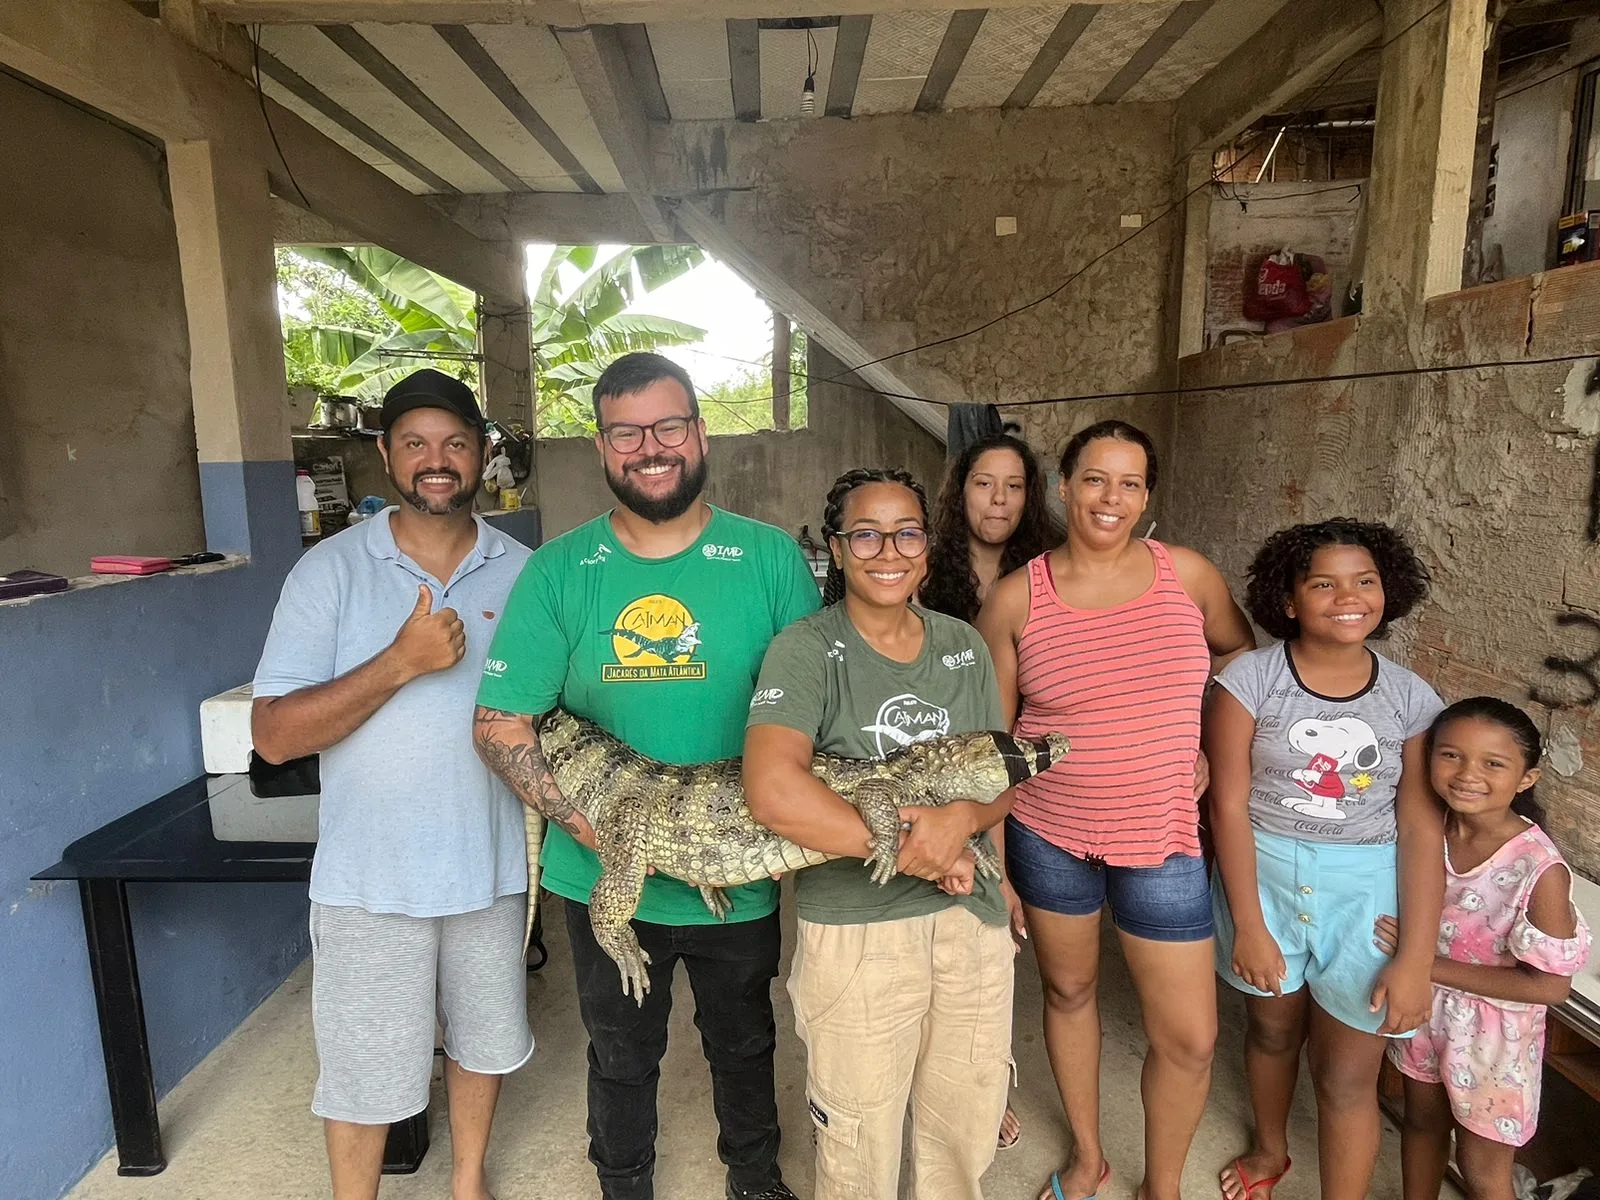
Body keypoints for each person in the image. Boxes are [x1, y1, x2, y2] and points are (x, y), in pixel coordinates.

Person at [472, 352, 814, 1200]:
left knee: (745, 1041)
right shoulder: (557, 571)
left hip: (736, 865)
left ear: (698, 433)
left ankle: (756, 1180)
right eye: (627, 432)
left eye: (667, 426)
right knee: (621, 1055)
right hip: (602, 876)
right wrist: (618, 837)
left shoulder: (771, 561)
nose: (649, 447)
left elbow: (814, 718)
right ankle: (624, 1186)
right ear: (601, 446)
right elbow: (500, 722)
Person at [251, 368, 533, 1200]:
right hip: (368, 878)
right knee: (364, 1063)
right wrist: (400, 663)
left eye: (454, 442)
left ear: (483, 455)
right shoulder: (328, 574)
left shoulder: (527, 573)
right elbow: (271, 737)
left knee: (484, 1040)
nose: (436, 460)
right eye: (415, 443)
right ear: (386, 455)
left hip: (489, 866)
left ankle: (469, 1183)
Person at [976, 419, 1255, 1200]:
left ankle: (1161, 1184)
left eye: (1131, 483)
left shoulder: (1189, 577)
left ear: (1147, 497)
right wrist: (994, 867)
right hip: (1049, 834)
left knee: (1192, 1038)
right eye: (1095, 479)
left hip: (1163, 835)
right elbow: (993, 747)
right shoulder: (1014, 599)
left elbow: (1239, 652)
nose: (1112, 497)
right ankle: (1089, 1157)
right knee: (1069, 993)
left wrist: (1208, 740)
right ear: (1064, 487)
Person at [743, 467, 1015, 1200]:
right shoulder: (805, 649)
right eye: (865, 532)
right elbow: (773, 791)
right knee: (857, 1141)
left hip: (971, 923)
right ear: (836, 547)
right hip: (860, 933)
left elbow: (997, 779)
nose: (887, 549)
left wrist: (962, 822)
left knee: (963, 1126)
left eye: (907, 532)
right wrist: (919, 852)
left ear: (928, 547)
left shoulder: (962, 644)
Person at [1208, 519, 1444, 1200]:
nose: (1349, 597)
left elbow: (1422, 830)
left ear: (1387, 590)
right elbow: (1227, 805)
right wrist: (1249, 923)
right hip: (1266, 878)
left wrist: (1416, 959)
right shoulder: (1249, 681)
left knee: (1347, 1076)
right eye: (1324, 584)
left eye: (1365, 581)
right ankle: (1269, 1149)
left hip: (1365, 896)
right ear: (1288, 600)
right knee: (1272, 1031)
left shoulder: (1410, 697)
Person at [1378, 697, 1590, 1200]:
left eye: (1493, 763)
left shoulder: (1537, 869)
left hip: (1497, 1041)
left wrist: (1424, 963)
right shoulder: (1426, 831)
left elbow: (1551, 986)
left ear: (1527, 778)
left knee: (1483, 1169)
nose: (1467, 774)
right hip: (1423, 1011)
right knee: (1422, 1126)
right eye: (1450, 755)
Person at [920, 429, 1055, 1151]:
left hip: (1019, 776)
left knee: (999, 936)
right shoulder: (923, 570)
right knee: (930, 929)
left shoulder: (1050, 575)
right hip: (936, 771)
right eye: (983, 483)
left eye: (1013, 486)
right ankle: (929, 1081)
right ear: (959, 490)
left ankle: (988, 1081)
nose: (998, 499)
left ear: (1030, 497)